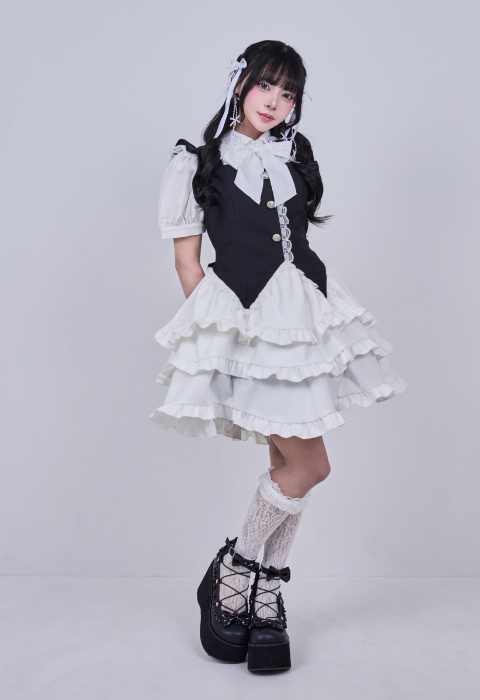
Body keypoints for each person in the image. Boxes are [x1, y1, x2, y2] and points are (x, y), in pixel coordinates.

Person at [150, 40, 408, 672]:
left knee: (289, 462)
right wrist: (222, 341)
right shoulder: (197, 162)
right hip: (250, 325)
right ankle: (237, 569)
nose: (275, 101)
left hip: (306, 319)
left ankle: (262, 593)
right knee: (311, 466)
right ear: (239, 84)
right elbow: (188, 264)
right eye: (266, 85)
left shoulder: (295, 152)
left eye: (288, 92)